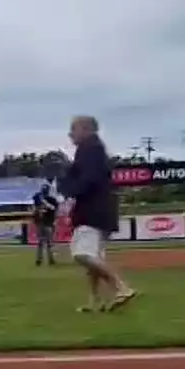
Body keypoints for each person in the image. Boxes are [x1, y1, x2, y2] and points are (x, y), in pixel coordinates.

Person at [58, 115, 137, 312]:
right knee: (92, 259)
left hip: (93, 210)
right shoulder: (94, 149)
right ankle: (95, 301)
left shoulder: (90, 149)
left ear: (86, 129)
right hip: (101, 210)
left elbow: (88, 179)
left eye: (73, 129)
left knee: (82, 254)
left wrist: (69, 187)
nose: (70, 134)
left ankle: (122, 287)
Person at [31, 181, 60, 266]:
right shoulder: (39, 198)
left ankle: (47, 259)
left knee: (47, 242)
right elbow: (35, 208)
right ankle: (42, 259)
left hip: (47, 222)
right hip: (43, 222)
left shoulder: (51, 199)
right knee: (43, 242)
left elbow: (54, 209)